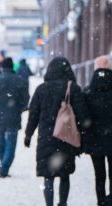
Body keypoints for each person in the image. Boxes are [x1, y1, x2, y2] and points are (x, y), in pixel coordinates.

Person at [24, 57, 88, 206]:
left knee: (48, 176)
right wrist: (83, 138)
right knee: (65, 175)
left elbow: (33, 114)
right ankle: (63, 203)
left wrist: (28, 135)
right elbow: (83, 115)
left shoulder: (41, 89)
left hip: (46, 138)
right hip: (67, 138)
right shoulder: (73, 88)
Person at [0, 57, 29, 177]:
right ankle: (4, 167)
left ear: (2, 67)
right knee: (11, 145)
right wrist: (19, 109)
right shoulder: (19, 80)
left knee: (0, 143)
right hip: (13, 118)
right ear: (12, 67)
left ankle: (3, 165)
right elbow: (25, 99)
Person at [84, 55, 112, 206]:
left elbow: (83, 115)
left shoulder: (88, 92)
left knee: (99, 175)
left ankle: (101, 201)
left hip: (95, 140)